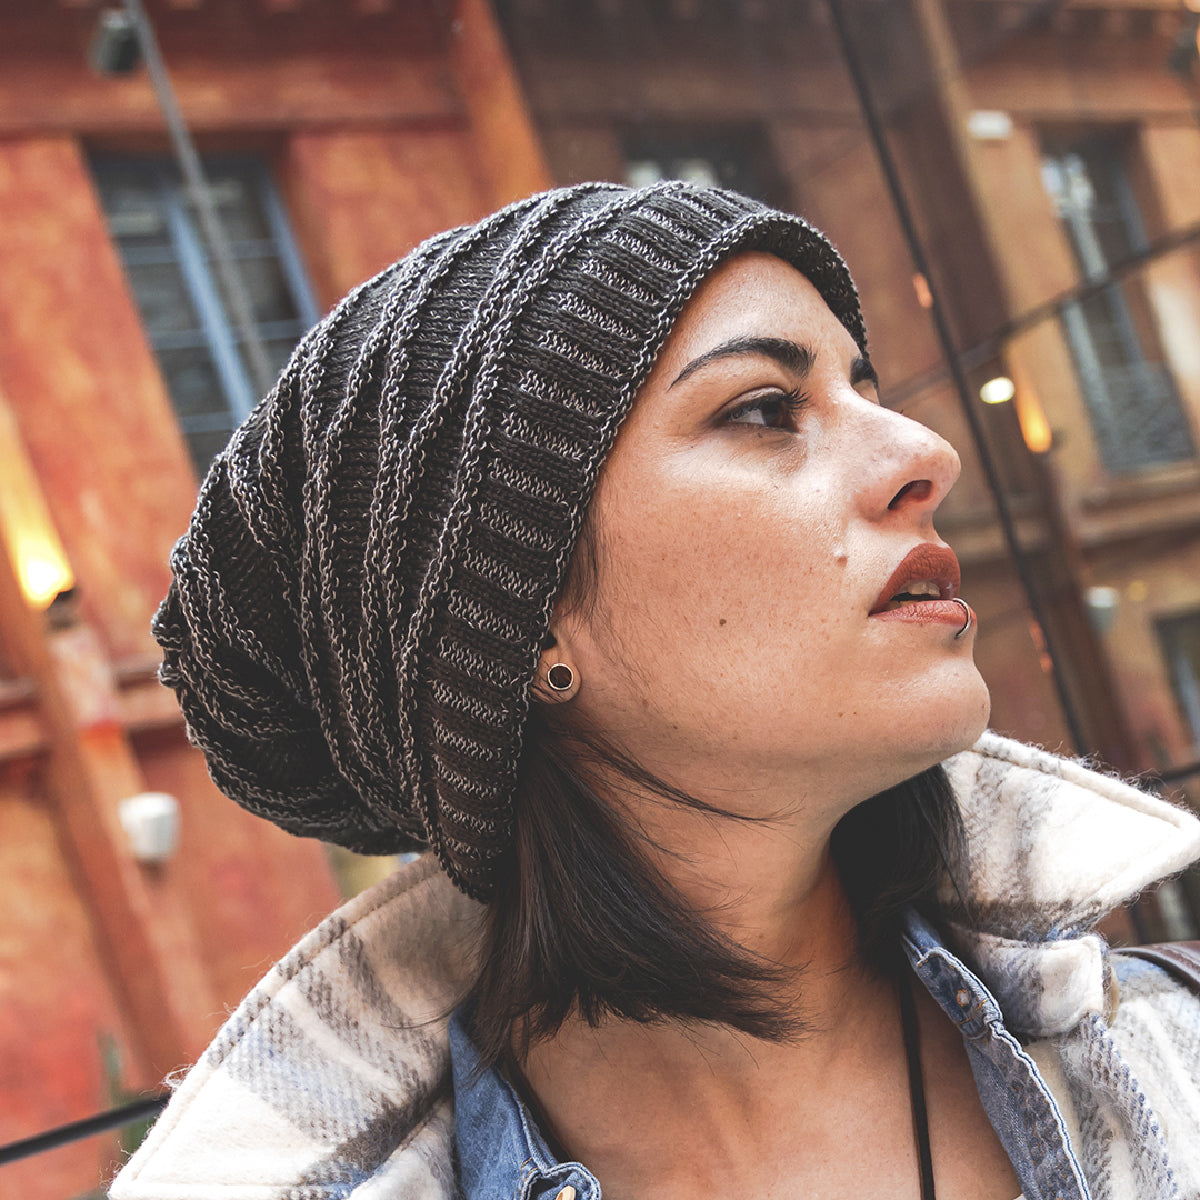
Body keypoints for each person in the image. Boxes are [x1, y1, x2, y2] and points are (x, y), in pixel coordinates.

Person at [109, 182, 1200, 1200]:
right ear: (523, 623)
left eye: (864, 389)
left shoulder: (1173, 1060)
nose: (926, 452)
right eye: (767, 409)